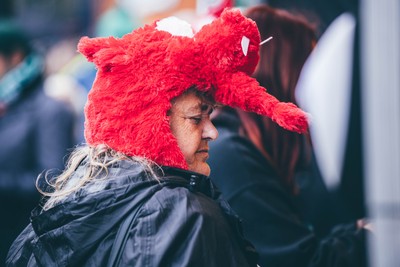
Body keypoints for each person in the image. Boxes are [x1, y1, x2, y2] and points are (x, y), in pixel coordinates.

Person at [6, 8, 309, 266]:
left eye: (210, 115)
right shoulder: (187, 216)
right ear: (148, 122)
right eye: (196, 117)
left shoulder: (64, 205)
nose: (213, 131)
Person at [208, 5, 368, 267]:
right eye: (307, 72)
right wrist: (366, 235)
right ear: (284, 76)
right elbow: (302, 261)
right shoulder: (235, 159)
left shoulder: (239, 144)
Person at [0, 20, 75, 265]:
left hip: (23, 245)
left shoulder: (49, 110)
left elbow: (50, 181)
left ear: (15, 57)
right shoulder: (6, 105)